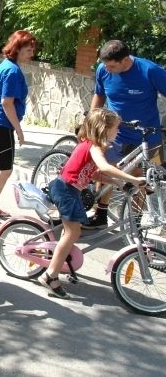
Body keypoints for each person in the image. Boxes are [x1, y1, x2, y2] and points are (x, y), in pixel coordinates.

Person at [38, 108, 145, 298]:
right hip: (66, 190)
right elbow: (104, 167)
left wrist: (120, 183)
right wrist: (134, 179)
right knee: (73, 232)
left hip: (70, 190)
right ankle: (50, 275)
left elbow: (94, 173)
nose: (118, 132)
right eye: (116, 129)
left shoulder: (91, 146)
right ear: (104, 129)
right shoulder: (93, 147)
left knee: (70, 231)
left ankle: (61, 262)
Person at [88, 39, 166, 229]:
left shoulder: (149, 70)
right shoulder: (103, 70)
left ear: (125, 60)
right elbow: (99, 94)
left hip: (148, 137)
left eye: (111, 65)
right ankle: (100, 214)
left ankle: (135, 223)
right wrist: (90, 123)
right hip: (115, 135)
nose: (107, 69)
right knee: (107, 169)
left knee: (143, 179)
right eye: (105, 64)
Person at [0, 29, 38, 230]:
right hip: (0, 125)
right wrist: (18, 130)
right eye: (28, 50)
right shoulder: (12, 71)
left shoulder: (5, 65)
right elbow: (7, 103)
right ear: (18, 49)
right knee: (5, 171)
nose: (32, 54)